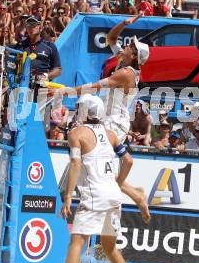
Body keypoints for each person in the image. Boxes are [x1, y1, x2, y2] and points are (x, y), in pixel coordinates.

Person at [56, 14, 150, 223]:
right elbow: (111, 39)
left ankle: (124, 203)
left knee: (95, 168)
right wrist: (125, 23)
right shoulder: (124, 62)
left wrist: (71, 91)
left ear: (133, 55)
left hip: (114, 123)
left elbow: (96, 85)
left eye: (130, 46)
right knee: (97, 169)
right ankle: (136, 195)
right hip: (108, 121)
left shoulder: (126, 73)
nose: (125, 46)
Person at [60, 94, 133, 263]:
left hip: (94, 196)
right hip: (113, 196)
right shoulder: (111, 134)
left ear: (85, 110)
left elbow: (75, 164)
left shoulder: (76, 133)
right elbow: (128, 161)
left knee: (77, 242)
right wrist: (118, 184)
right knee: (110, 249)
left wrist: (68, 196)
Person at [16, 15, 62, 81]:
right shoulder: (20, 45)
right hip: (22, 84)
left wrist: (45, 76)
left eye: (34, 25)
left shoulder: (50, 46)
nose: (31, 27)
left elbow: (58, 70)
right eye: (28, 25)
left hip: (42, 85)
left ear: (40, 27)